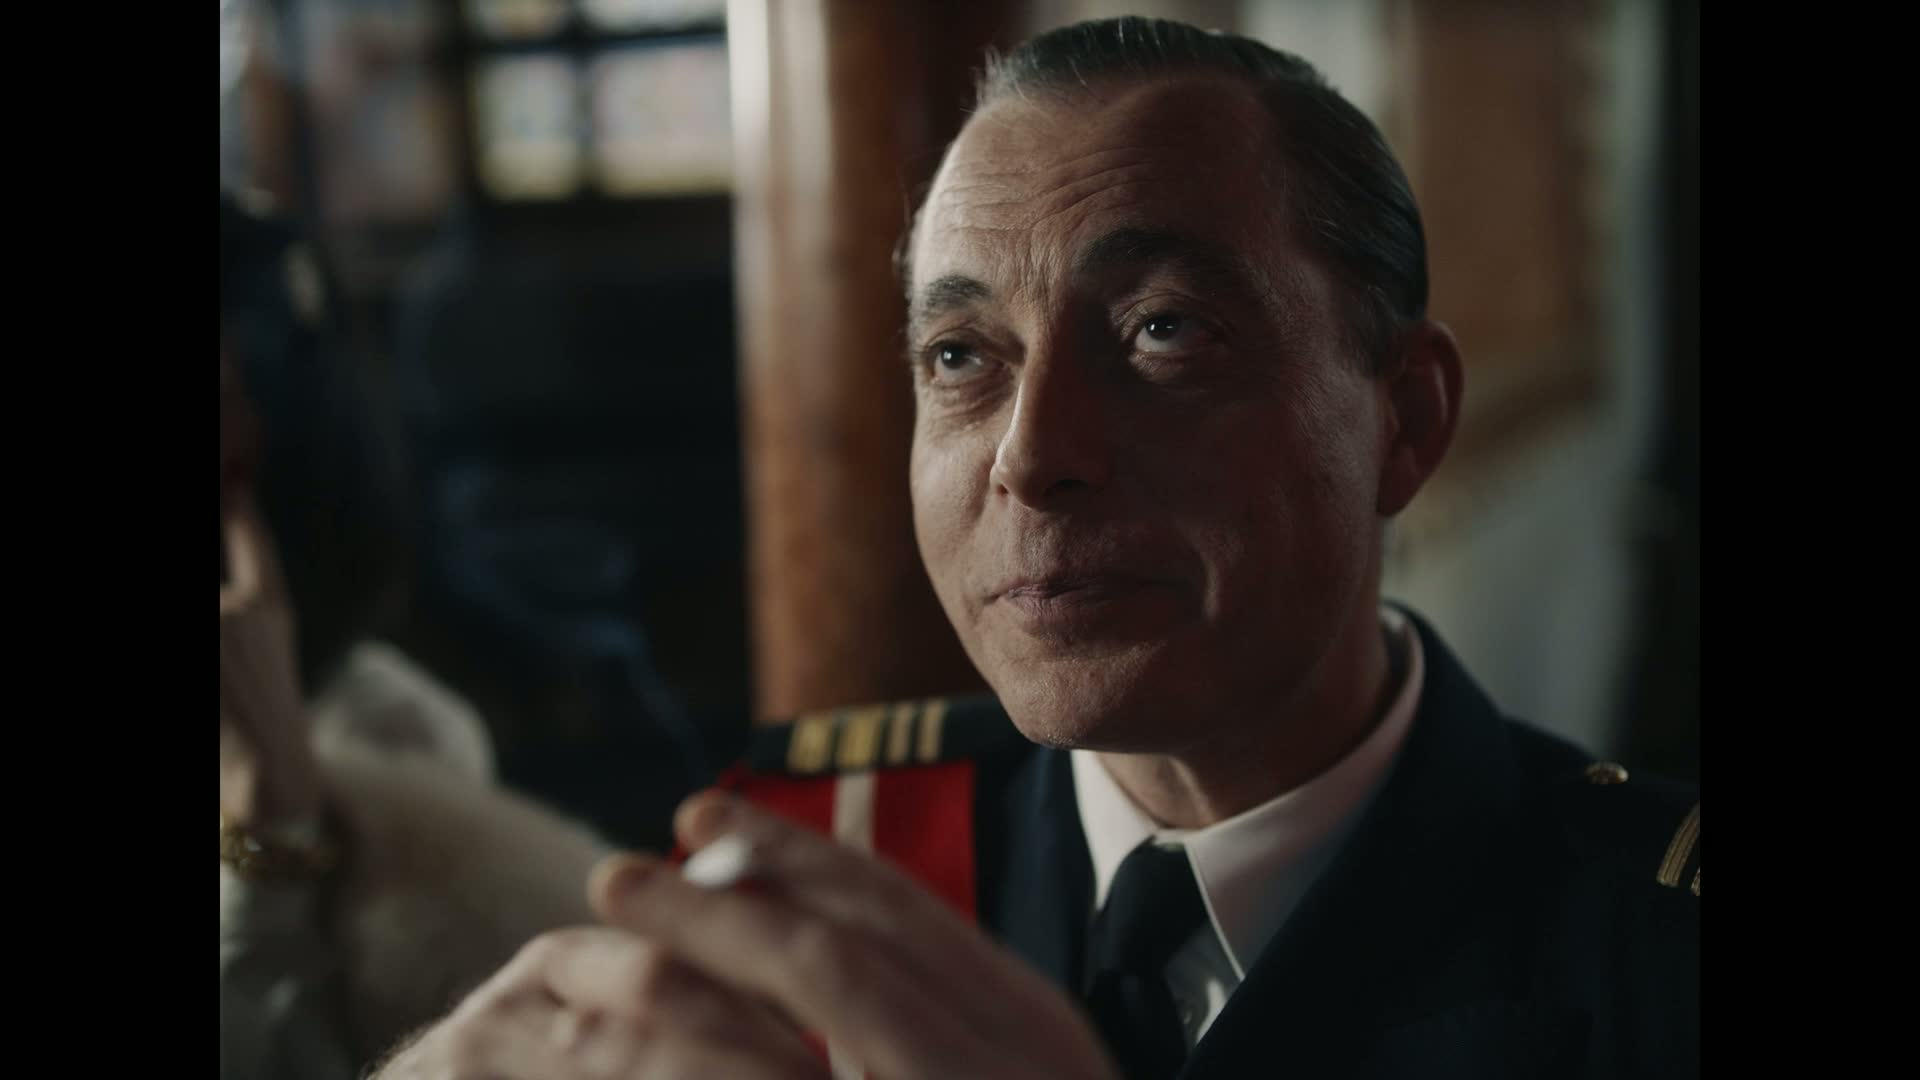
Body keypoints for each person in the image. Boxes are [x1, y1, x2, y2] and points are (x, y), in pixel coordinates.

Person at [271, 17, 1698, 1079]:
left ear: (1406, 417)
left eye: (1161, 331)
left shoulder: (1655, 952)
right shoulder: (825, 858)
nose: (1030, 454)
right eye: (961, 356)